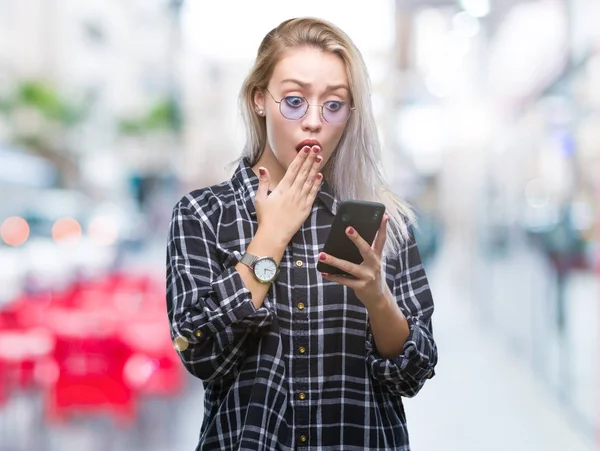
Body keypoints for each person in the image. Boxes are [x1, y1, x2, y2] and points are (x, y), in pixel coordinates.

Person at [166, 17, 437, 451]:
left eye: (334, 105)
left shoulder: (379, 219)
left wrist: (377, 296)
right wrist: (269, 239)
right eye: (294, 101)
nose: (313, 121)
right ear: (259, 99)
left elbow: (413, 371)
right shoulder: (203, 214)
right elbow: (201, 354)